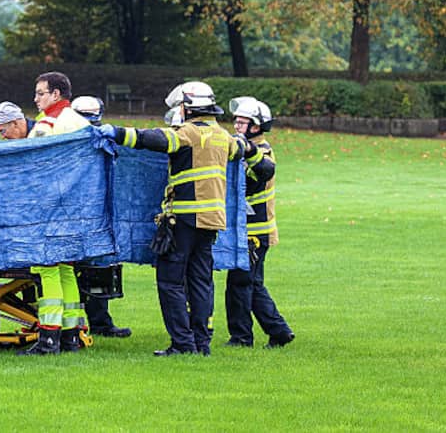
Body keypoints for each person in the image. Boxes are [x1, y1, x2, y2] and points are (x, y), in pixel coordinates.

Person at [99, 81, 265, 356]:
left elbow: (152, 139)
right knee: (201, 281)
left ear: (188, 108)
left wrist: (116, 132)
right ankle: (201, 343)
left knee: (171, 281)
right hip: (211, 221)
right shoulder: (223, 136)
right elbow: (247, 152)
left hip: (184, 220)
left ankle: (182, 343)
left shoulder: (188, 133)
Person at [9, 73, 89, 354]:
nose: (35, 98)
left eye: (40, 93)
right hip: (76, 209)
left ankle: (48, 339)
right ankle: (71, 336)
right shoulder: (81, 122)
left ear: (56, 95)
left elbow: (34, 165)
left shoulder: (47, 124)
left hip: (49, 207)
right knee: (67, 269)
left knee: (47, 269)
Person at [225, 96, 294, 349]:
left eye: (243, 123)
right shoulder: (243, 149)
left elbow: (251, 183)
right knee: (249, 284)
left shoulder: (261, 152)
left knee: (241, 284)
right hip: (247, 229)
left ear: (257, 127)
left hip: (255, 231)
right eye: (236, 121)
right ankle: (278, 331)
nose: (237, 126)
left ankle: (243, 337)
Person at [69, 95, 132, 340]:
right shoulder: (69, 139)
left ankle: (99, 322)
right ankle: (86, 323)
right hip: (79, 214)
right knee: (82, 269)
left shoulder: (103, 138)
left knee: (97, 267)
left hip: (96, 214)